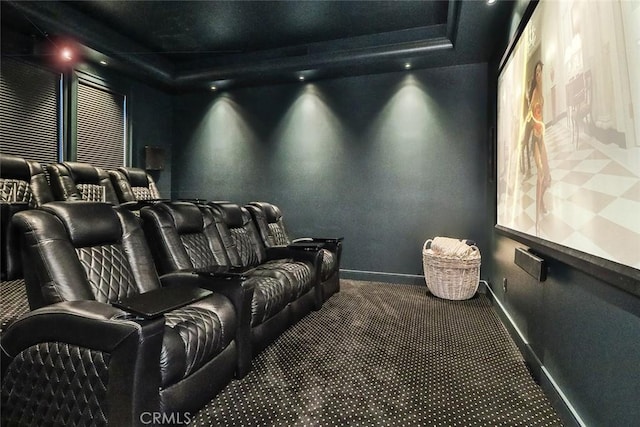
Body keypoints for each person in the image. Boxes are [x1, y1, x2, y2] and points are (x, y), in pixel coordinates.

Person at [525, 60, 552, 233]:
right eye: (536, 72)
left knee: (548, 177)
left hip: (542, 138)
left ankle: (541, 201)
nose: (539, 74)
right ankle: (537, 217)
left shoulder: (542, 91)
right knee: (541, 174)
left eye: (540, 71)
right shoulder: (535, 92)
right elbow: (531, 115)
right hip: (536, 139)